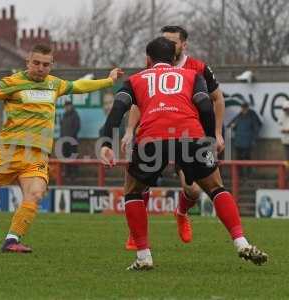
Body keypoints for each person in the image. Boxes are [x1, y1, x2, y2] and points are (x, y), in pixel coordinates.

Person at [0, 44, 123, 253]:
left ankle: (12, 240)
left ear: (51, 65)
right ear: (28, 62)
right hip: (8, 153)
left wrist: (109, 80)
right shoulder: (10, 83)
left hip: (37, 156)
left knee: (35, 194)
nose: (40, 68)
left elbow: (79, 86)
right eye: (36, 63)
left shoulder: (55, 84)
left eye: (45, 64)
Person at [99, 37, 268, 270]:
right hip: (191, 136)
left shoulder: (136, 79)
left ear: (147, 59)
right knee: (216, 187)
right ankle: (241, 242)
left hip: (152, 139)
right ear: (173, 58)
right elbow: (205, 104)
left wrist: (107, 142)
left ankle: (143, 256)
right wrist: (209, 138)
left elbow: (118, 108)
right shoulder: (191, 76)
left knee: (133, 191)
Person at [122, 26, 226, 250]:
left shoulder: (198, 69)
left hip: (188, 136)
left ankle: (181, 213)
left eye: (174, 41)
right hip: (155, 134)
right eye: (165, 41)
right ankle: (136, 234)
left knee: (193, 191)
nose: (169, 45)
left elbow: (217, 99)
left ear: (184, 44)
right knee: (140, 184)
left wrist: (216, 133)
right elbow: (139, 101)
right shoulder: (152, 67)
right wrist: (130, 130)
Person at [229, 102, 262, 176]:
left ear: (247, 108)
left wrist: (254, 139)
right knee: (238, 158)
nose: (243, 109)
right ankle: (239, 174)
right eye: (242, 107)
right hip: (238, 141)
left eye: (245, 107)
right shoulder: (239, 115)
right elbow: (231, 125)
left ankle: (248, 174)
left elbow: (257, 127)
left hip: (248, 141)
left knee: (247, 158)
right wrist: (232, 126)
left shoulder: (252, 115)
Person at [60, 100, 81, 177]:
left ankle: (75, 174)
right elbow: (62, 128)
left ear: (71, 106)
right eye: (65, 106)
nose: (66, 107)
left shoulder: (75, 115)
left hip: (72, 141)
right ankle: (67, 174)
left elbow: (77, 127)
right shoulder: (64, 115)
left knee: (73, 157)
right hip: (64, 141)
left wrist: (70, 137)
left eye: (68, 105)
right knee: (65, 158)